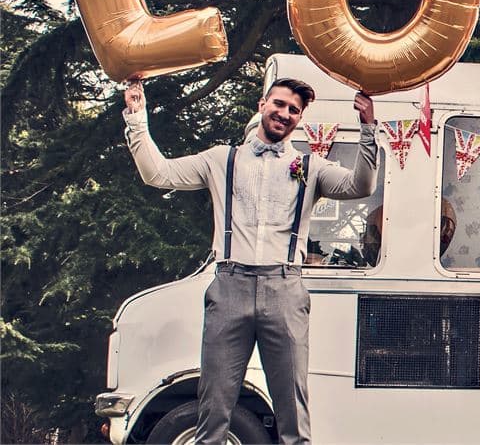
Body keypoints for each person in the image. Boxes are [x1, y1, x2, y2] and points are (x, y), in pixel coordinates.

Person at [124, 77, 378, 445]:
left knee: (293, 410)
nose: (285, 113)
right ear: (262, 105)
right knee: (214, 408)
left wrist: (368, 127)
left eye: (294, 110)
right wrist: (137, 116)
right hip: (230, 285)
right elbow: (157, 173)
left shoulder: (310, 166)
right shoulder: (221, 159)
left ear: (300, 119)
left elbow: (361, 186)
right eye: (279, 104)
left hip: (284, 288)